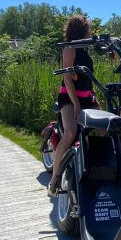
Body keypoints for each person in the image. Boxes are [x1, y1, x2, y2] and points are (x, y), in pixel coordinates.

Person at [48, 14, 95, 195]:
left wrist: (93, 96)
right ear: (82, 30)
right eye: (88, 28)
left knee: (105, 127)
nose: (90, 31)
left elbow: (87, 77)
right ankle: (54, 180)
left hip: (86, 97)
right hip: (69, 98)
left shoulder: (84, 48)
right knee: (70, 132)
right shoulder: (69, 48)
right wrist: (76, 104)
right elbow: (67, 79)